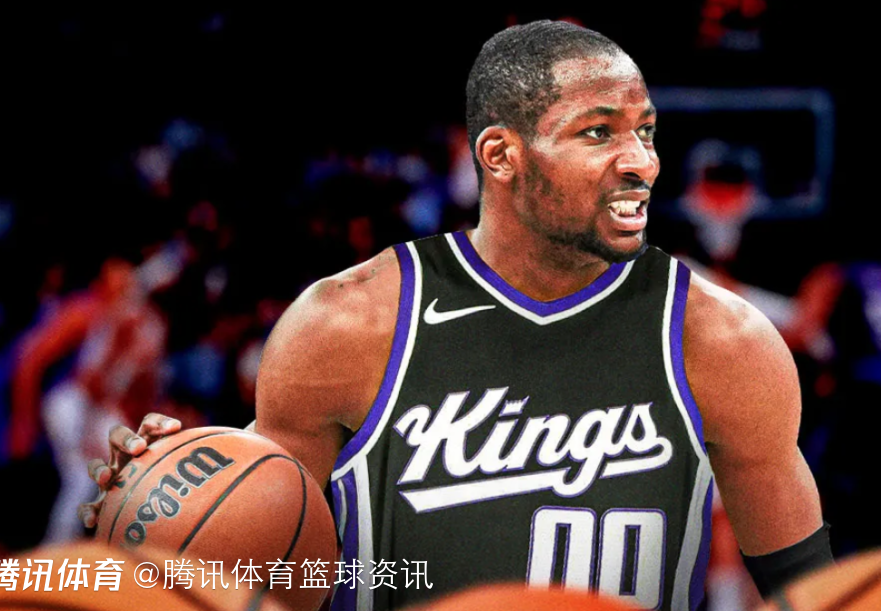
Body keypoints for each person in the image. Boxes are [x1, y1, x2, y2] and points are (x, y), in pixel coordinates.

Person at [81, 21, 831, 610]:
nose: (642, 161)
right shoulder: (346, 323)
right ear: (500, 155)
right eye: (599, 133)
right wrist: (166, 503)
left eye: (646, 131)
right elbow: (277, 569)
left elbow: (811, 595)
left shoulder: (722, 341)